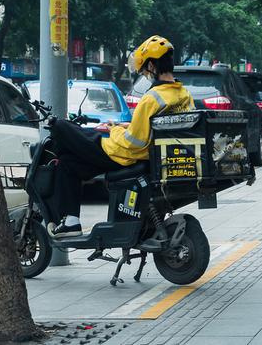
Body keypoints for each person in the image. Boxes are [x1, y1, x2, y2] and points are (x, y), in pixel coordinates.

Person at [48, 35, 194, 238]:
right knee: (67, 163)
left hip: (124, 155)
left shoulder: (152, 98)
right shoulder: (183, 95)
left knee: (62, 127)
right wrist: (126, 125)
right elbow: (153, 128)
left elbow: (134, 143)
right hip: (151, 156)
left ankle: (68, 221)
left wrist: (114, 129)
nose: (144, 74)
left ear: (152, 66)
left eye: (143, 69)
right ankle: (71, 222)